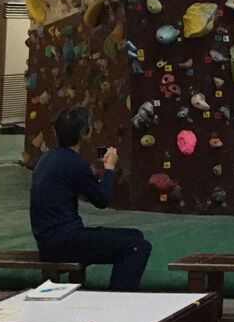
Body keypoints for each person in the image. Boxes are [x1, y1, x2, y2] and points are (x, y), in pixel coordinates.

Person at [29, 106, 151, 291]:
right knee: (138, 247)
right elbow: (102, 199)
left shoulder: (47, 158)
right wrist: (109, 168)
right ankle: (117, 299)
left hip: (48, 240)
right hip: (63, 242)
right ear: (84, 133)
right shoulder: (74, 163)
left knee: (134, 235)